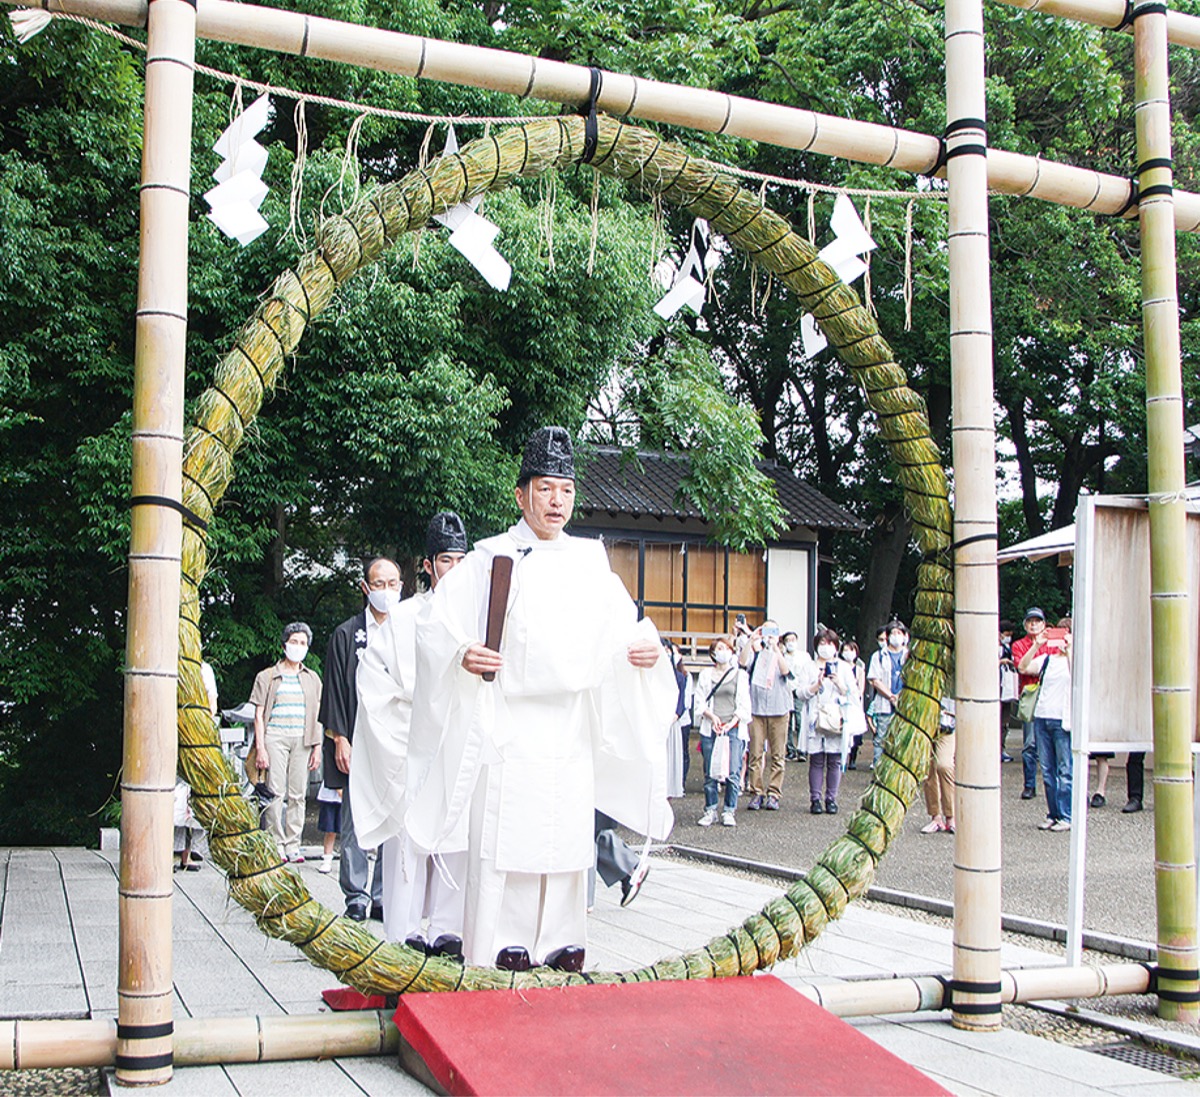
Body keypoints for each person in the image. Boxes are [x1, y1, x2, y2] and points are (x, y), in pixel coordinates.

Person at [403, 427, 676, 972]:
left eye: (566, 490)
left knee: (565, 834)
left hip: (570, 721)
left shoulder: (589, 560)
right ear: (521, 494)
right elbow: (436, 624)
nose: (557, 501)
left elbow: (625, 627)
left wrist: (648, 651)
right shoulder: (490, 557)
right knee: (512, 833)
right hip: (511, 718)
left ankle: (562, 937)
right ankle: (504, 938)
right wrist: (462, 652)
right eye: (546, 488)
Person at [353, 512, 470, 956]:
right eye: (445, 560)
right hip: (410, 742)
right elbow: (374, 685)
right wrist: (409, 738)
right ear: (427, 565)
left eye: (461, 560)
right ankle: (403, 931)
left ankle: (447, 929)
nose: (453, 569)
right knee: (408, 838)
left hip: (458, 743)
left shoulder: (477, 619)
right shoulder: (403, 618)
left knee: (456, 832)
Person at [319, 556, 402, 921]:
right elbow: (335, 689)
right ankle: (356, 894)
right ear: (366, 588)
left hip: (397, 742)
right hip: (357, 738)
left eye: (393, 584)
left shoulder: (409, 629)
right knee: (354, 818)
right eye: (379, 584)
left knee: (395, 820)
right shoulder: (347, 634)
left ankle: (384, 894)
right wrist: (340, 738)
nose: (387, 591)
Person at [250, 623, 323, 862]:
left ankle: (293, 843)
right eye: (294, 642)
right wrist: (261, 747)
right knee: (275, 792)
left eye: (302, 643)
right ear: (284, 645)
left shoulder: (312, 678)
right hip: (275, 737)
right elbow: (258, 714)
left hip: (303, 739)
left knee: (298, 793)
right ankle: (276, 842)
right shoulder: (267, 676)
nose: (298, 647)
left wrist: (317, 747)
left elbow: (318, 715)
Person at [1018, 615, 1073, 831]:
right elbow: (1023, 667)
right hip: (1042, 716)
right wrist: (1037, 645)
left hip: (1062, 719)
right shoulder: (1047, 659)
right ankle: (1053, 813)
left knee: (1065, 769)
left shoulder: (1074, 660)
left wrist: (1069, 650)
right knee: (1048, 770)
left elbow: (1077, 678)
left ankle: (1066, 815)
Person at [694, 635, 751, 827]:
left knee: (733, 770)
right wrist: (712, 717)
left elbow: (744, 704)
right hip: (711, 727)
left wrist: (732, 722)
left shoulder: (740, 676)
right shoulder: (705, 675)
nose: (723, 652)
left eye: (726, 648)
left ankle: (729, 810)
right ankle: (710, 809)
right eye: (719, 648)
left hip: (733, 728)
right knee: (710, 770)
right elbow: (699, 701)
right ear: (712, 653)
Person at [740, 619, 794, 811]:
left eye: (773, 631)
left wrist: (775, 647)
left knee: (778, 754)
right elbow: (742, 662)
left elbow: (786, 671)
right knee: (755, 753)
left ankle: (774, 793)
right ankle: (756, 791)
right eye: (766, 631)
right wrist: (751, 639)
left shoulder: (782, 655)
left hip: (779, 710)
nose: (769, 635)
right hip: (757, 710)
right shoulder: (756, 655)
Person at [802, 629, 853, 814]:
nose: (826, 647)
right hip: (816, 718)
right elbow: (800, 692)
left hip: (836, 718)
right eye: (822, 643)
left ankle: (831, 798)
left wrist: (839, 683)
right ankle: (815, 799)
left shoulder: (844, 668)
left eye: (830, 643)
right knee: (816, 760)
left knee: (834, 760)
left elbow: (853, 693)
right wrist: (817, 685)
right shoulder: (809, 667)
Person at [1010, 607, 1047, 801]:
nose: (1034, 625)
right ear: (1025, 625)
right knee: (1030, 742)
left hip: (1049, 695)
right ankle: (1029, 785)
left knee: (1050, 741)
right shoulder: (1019, 645)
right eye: (1030, 621)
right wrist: (1035, 648)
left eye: (1037, 621)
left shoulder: (1052, 644)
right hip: (1031, 695)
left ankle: (1051, 784)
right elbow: (1022, 668)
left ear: (1044, 624)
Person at [867, 620, 908, 769]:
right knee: (881, 740)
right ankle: (879, 772)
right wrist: (891, 696)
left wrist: (900, 696)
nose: (896, 636)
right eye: (893, 633)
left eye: (899, 633)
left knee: (902, 741)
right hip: (884, 705)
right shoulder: (878, 656)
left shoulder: (909, 655)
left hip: (905, 705)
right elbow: (875, 680)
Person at [921, 692, 957, 834]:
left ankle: (951, 816)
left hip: (948, 723)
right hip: (926, 722)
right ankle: (935, 817)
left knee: (944, 765)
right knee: (928, 770)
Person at [782, 631, 811, 763]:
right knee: (787, 722)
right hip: (786, 691)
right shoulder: (782, 656)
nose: (791, 643)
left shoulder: (804, 656)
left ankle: (802, 749)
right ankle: (790, 750)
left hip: (799, 691)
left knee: (800, 720)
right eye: (788, 640)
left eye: (793, 639)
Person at [840, 639, 868, 770]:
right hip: (842, 702)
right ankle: (842, 758)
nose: (848, 653)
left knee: (856, 732)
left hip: (855, 703)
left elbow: (860, 689)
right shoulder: (839, 668)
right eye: (845, 650)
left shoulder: (859, 670)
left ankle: (853, 758)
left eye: (851, 650)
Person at [316, 784, 341, 873]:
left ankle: (349, 860)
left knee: (350, 831)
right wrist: (338, 788)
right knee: (330, 830)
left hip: (351, 793)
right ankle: (327, 859)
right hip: (330, 794)